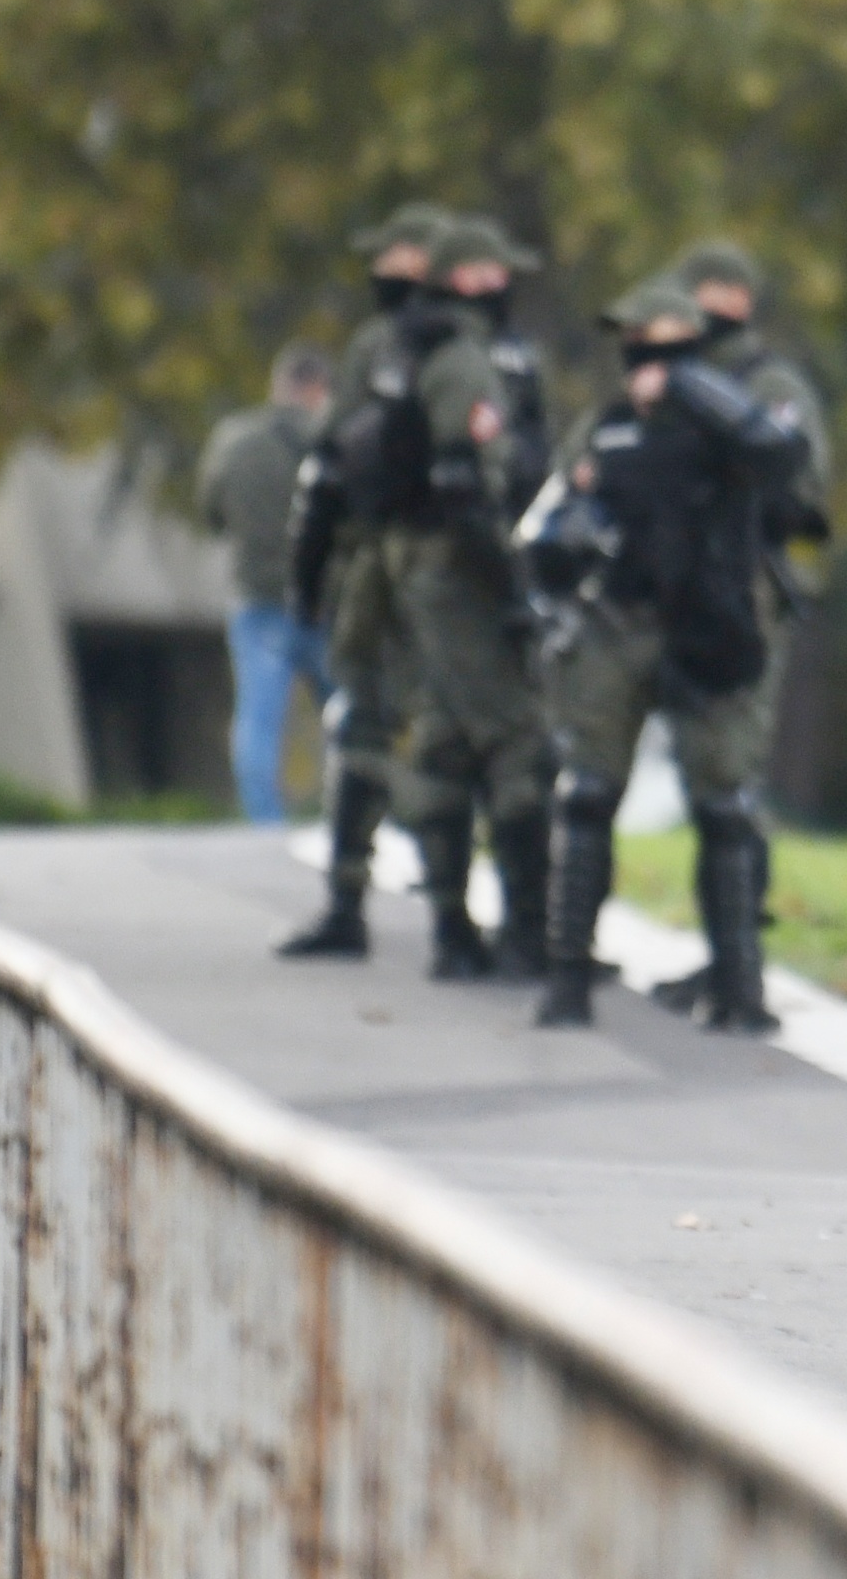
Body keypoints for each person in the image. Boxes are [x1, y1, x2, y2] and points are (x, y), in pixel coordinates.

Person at [521, 283, 809, 1034]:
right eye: (634, 340)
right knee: (585, 794)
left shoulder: (730, 420)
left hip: (708, 627)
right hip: (617, 623)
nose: (643, 355)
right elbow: (547, 523)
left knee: (724, 805)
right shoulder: (607, 425)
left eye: (660, 338)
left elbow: (781, 460)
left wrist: (689, 392)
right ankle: (567, 981)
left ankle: (739, 992)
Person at [643, 240, 833, 1021]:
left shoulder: (768, 385)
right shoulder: (675, 380)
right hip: (686, 590)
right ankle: (722, 956)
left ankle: (741, 969)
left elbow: (800, 487)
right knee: (701, 774)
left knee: (730, 779)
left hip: (746, 593)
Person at [277, 201, 448, 957]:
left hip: (430, 565)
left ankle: (457, 912)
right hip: (386, 561)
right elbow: (333, 457)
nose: (388, 278)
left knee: (445, 735)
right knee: (369, 723)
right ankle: (359, 901)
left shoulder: (440, 345)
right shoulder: (386, 343)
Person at [386, 214, 553, 982]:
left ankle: (459, 932)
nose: (502, 284)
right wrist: (512, 583)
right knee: (516, 741)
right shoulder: (465, 364)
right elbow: (469, 482)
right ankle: (521, 931)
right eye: (489, 272)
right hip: (464, 575)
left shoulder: (457, 353)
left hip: (444, 572)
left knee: (448, 745)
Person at [198, 344, 334, 825]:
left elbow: (211, 512)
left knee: (259, 718)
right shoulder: (331, 439)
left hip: (257, 599)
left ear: (279, 384)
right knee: (347, 716)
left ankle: (264, 824)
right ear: (319, 389)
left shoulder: (234, 439)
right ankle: (356, 813)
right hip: (325, 601)